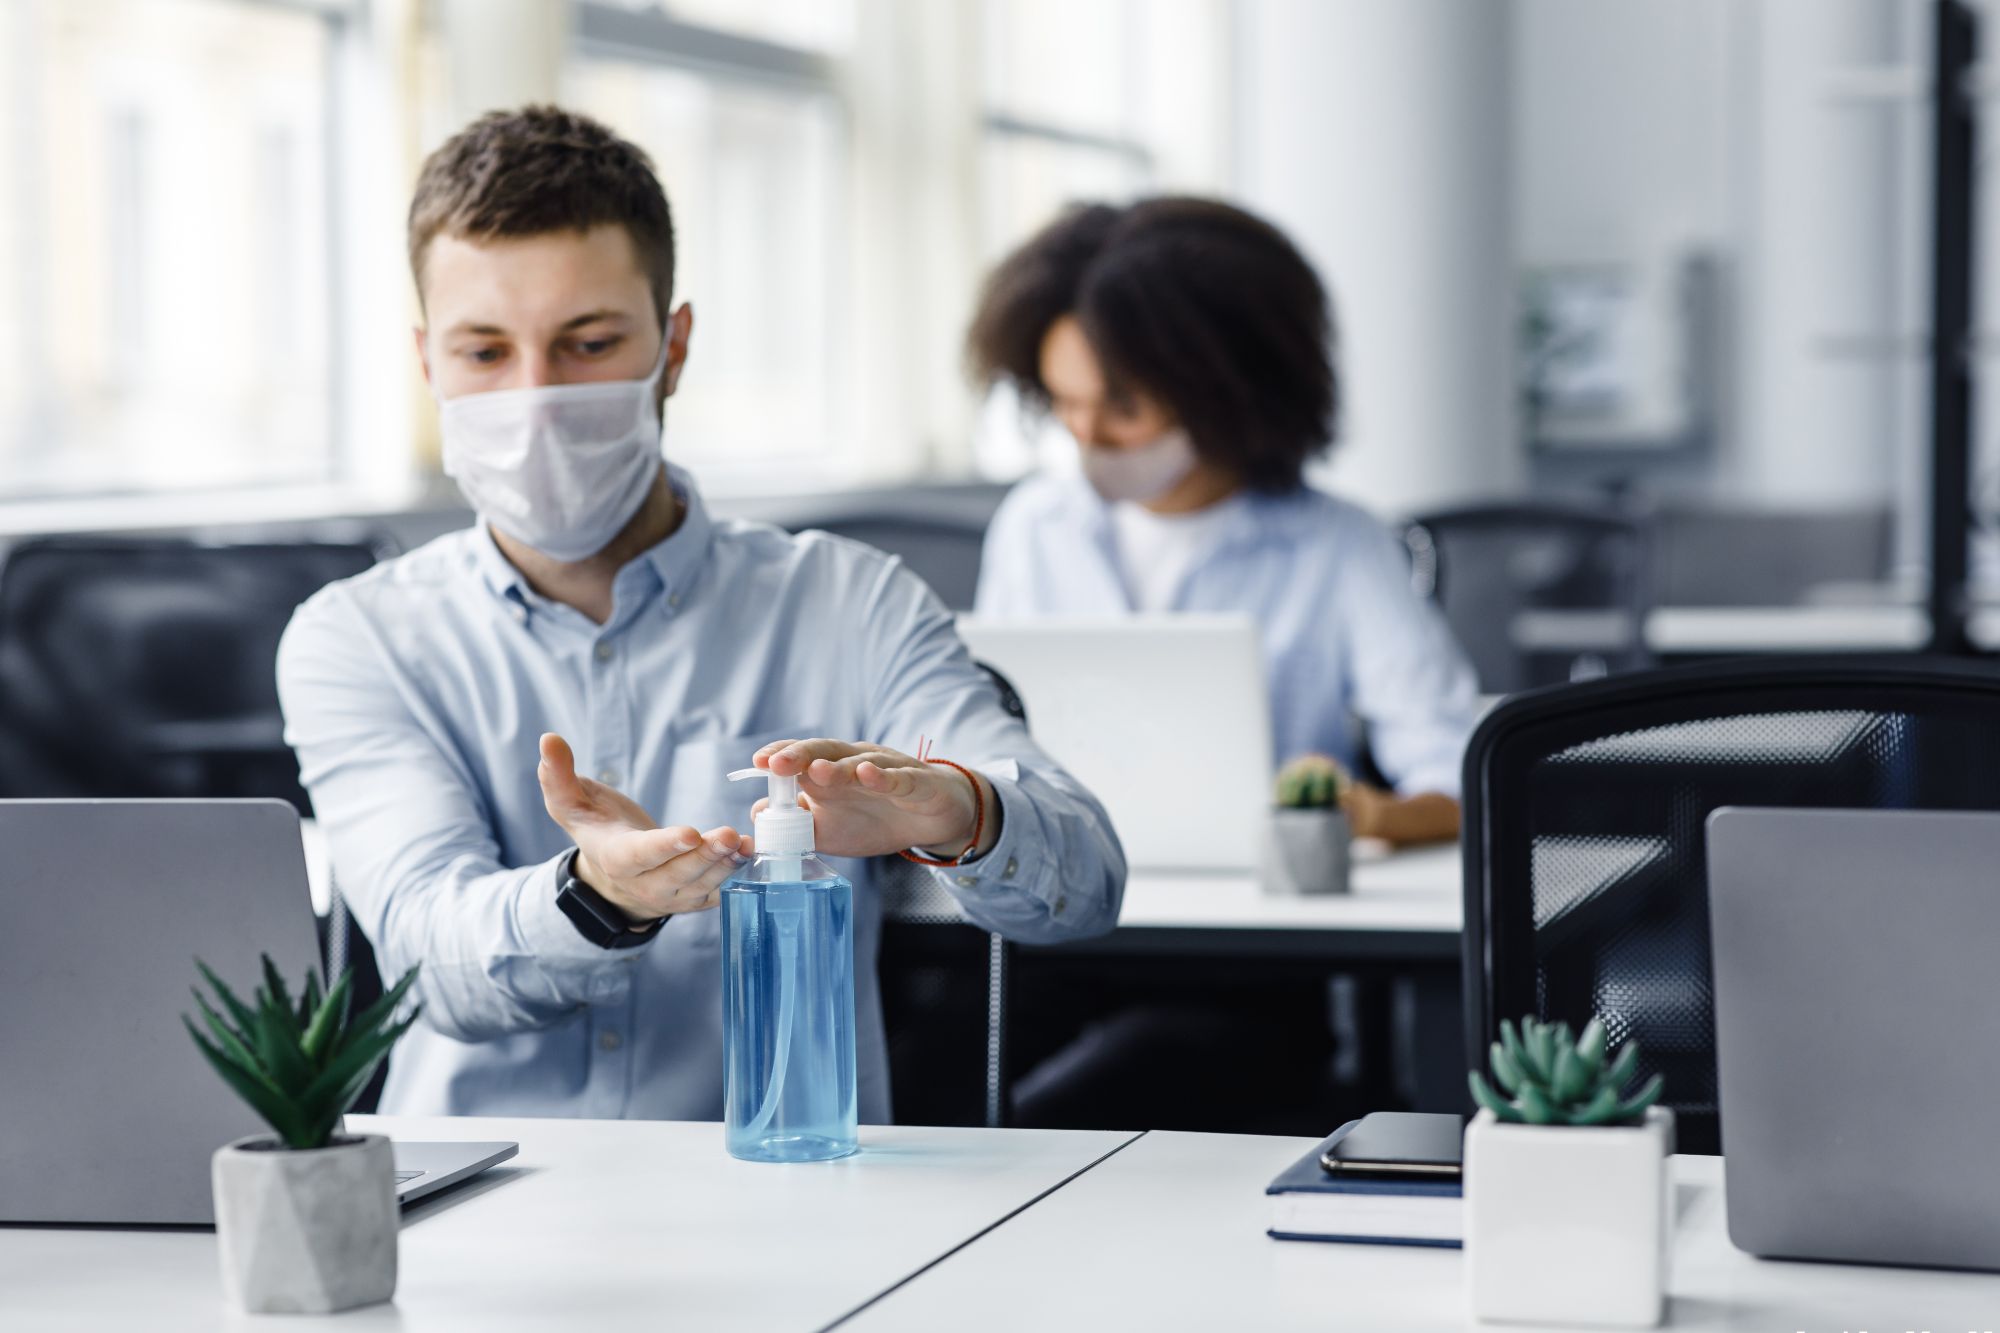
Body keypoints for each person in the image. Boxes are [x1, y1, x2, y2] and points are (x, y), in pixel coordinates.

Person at [277, 106, 1123, 1121]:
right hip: (492, 1198)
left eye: (590, 343)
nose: (536, 399)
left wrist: (962, 813)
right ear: (428, 364)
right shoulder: (357, 637)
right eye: (485, 352)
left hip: (790, 1184)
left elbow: (1086, 882)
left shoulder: (850, 603)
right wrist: (597, 896)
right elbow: (429, 958)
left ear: (672, 348)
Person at [969, 197, 1478, 844]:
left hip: (1266, 894)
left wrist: (1366, 818)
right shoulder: (1034, 526)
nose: (1087, 433)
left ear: (1224, 393)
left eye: (1124, 407)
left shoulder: (1340, 545)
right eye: (1066, 401)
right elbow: (986, 736)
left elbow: (1457, 773)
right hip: (1060, 885)